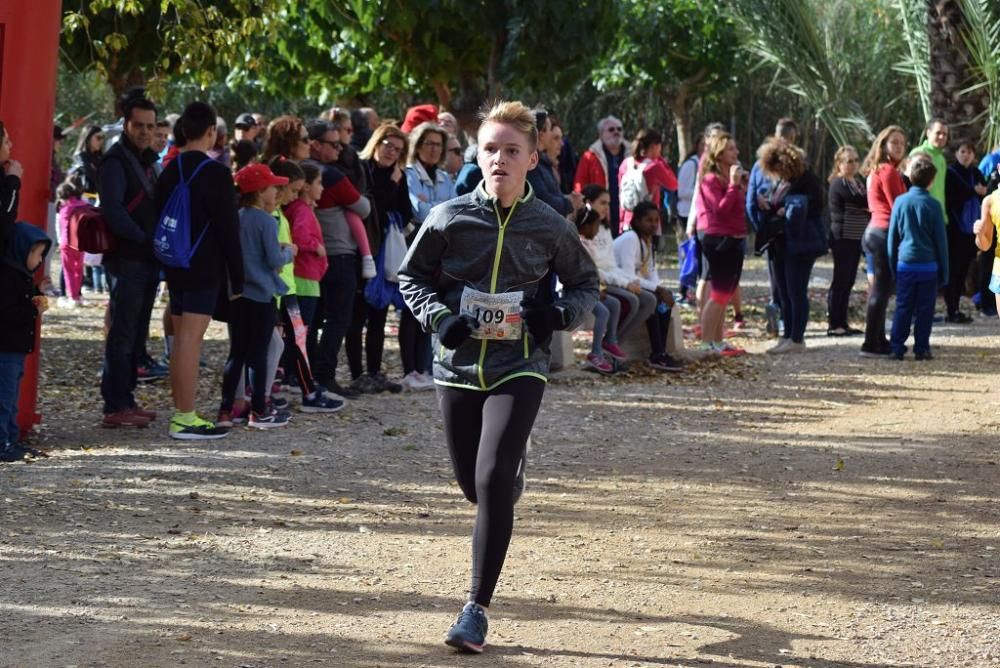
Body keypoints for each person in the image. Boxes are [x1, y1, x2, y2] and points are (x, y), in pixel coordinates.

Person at [399, 100, 598, 654]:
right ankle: (507, 472)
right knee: (475, 486)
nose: (500, 160)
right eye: (491, 149)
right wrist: (441, 319)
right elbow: (410, 278)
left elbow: (585, 287)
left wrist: (556, 316)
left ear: (532, 159)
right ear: (477, 156)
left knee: (490, 481)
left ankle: (474, 610)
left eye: (512, 151)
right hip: (458, 370)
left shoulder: (550, 226)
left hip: (520, 367)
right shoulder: (449, 218)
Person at [156, 102, 245, 439]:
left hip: (175, 262)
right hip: (204, 266)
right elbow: (228, 230)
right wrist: (238, 277)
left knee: (181, 340)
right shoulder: (217, 173)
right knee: (192, 341)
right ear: (211, 132)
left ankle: (182, 412)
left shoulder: (169, 169)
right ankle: (185, 417)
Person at [99, 93, 162, 428]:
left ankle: (127, 399)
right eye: (139, 125)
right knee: (122, 334)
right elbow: (113, 211)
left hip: (146, 259)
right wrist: (142, 238)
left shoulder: (147, 160)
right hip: (128, 260)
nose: (144, 131)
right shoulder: (115, 162)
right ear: (126, 124)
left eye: (150, 126)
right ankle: (115, 404)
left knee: (135, 334)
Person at [223, 163, 294, 429]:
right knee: (258, 356)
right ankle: (259, 411)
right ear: (259, 191)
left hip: (238, 295)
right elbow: (274, 260)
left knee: (236, 355)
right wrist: (290, 252)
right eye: (273, 187)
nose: (277, 192)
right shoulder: (265, 220)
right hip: (262, 296)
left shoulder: (236, 217)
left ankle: (225, 410)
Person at [307, 119, 372, 397]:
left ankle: (306, 374)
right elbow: (364, 207)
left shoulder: (301, 171)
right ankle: (324, 376)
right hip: (337, 256)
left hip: (312, 257)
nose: (339, 149)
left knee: (312, 320)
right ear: (315, 145)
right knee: (338, 320)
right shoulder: (331, 176)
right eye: (334, 144)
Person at [0, 124, 51, 462]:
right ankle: (4, 441)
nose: (11, 144)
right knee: (4, 393)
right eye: (5, 139)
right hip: (8, 341)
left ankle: (9, 438)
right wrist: (13, 181)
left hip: (14, 344)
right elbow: (5, 220)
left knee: (9, 392)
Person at [352, 123, 412, 394]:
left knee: (379, 313)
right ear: (376, 143)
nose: (391, 152)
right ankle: (356, 374)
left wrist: (395, 183)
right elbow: (371, 204)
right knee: (356, 315)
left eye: (398, 149)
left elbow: (404, 211)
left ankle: (374, 371)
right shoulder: (361, 168)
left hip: (385, 252)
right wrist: (392, 184)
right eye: (388, 145)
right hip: (360, 248)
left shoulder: (399, 176)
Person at [756, 139, 824, 353]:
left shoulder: (808, 181)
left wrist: (790, 208)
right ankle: (787, 335)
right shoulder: (780, 182)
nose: (777, 173)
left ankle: (797, 338)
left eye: (779, 168)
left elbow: (815, 207)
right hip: (780, 243)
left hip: (800, 243)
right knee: (783, 291)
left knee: (796, 290)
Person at [403, 122, 456, 391]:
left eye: (438, 144)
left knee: (432, 306)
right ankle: (409, 368)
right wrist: (437, 208)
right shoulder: (409, 173)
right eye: (429, 144)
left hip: (441, 251)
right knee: (411, 309)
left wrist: (431, 206)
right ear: (418, 145)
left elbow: (454, 214)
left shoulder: (446, 178)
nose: (434, 149)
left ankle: (425, 366)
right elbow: (420, 212)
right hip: (414, 246)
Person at [888, 155, 948, 360]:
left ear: (910, 177)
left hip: (905, 263)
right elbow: (941, 242)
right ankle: (922, 348)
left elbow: (892, 238)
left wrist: (891, 265)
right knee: (925, 308)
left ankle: (896, 347)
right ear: (931, 181)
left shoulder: (900, 202)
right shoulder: (934, 205)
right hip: (928, 267)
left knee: (903, 306)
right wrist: (944, 272)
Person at [613, 201, 684, 371]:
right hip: (617, 283)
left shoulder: (647, 242)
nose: (653, 225)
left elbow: (651, 271)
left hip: (633, 285)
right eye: (648, 220)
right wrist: (657, 289)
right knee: (652, 299)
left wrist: (662, 290)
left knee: (664, 302)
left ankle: (660, 353)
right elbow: (628, 274)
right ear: (637, 221)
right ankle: (657, 354)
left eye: (656, 220)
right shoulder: (630, 239)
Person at [580, 184, 654, 348]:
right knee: (631, 300)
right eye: (602, 203)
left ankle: (614, 344)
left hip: (610, 279)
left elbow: (611, 266)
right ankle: (608, 345)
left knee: (649, 299)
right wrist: (625, 284)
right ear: (588, 203)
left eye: (608, 204)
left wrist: (630, 281)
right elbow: (594, 270)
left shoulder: (605, 229)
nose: (607, 208)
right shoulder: (584, 230)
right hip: (596, 283)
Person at [696, 131, 747, 356]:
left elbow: (738, 209)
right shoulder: (710, 180)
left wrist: (739, 186)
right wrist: (734, 187)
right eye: (730, 149)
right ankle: (706, 342)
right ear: (719, 154)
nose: (736, 152)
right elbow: (720, 211)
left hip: (736, 237)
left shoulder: (731, 180)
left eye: (735, 148)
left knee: (725, 294)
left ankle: (718, 339)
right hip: (718, 239)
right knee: (717, 293)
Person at [746, 118, 799, 336]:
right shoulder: (795, 164)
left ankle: (777, 310)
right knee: (790, 278)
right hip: (786, 230)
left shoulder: (759, 164)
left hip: (771, 231)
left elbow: (750, 202)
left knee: (776, 277)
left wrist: (762, 227)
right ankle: (785, 318)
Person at [861, 125, 908, 357]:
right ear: (884, 145)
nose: (899, 146)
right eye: (894, 142)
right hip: (882, 232)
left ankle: (879, 340)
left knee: (883, 287)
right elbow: (897, 206)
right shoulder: (887, 171)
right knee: (881, 288)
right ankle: (870, 343)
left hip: (876, 231)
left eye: (902, 143)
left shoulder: (880, 169)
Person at [826, 146, 869, 336]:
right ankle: (834, 323)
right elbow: (861, 201)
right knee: (841, 280)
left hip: (856, 238)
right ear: (839, 164)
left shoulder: (858, 182)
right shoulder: (839, 183)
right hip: (843, 237)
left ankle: (843, 321)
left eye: (855, 160)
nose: (853, 164)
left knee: (849, 280)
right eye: (848, 161)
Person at [574, 206, 622, 373]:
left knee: (614, 304)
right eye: (595, 226)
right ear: (585, 226)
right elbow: (577, 275)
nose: (597, 230)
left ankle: (610, 341)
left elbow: (592, 273)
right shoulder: (577, 245)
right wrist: (594, 291)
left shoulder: (587, 244)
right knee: (603, 312)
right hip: (576, 291)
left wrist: (597, 289)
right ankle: (595, 353)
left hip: (589, 289)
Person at [944, 141, 986, 322]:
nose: (966, 155)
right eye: (962, 151)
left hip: (971, 231)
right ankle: (951, 310)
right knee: (953, 270)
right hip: (955, 230)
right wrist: (972, 191)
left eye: (969, 151)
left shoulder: (976, 172)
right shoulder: (951, 173)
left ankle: (956, 308)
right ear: (956, 154)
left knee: (963, 271)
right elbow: (952, 198)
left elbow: (985, 191)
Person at [574, 116, 629, 235]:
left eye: (619, 129)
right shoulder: (590, 157)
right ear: (600, 134)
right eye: (611, 129)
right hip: (600, 215)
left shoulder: (631, 155)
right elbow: (580, 186)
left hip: (627, 213)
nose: (616, 132)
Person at [618, 128, 678, 233]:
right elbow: (674, 184)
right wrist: (660, 160)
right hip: (648, 223)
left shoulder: (625, 163)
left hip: (628, 221)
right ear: (654, 145)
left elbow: (621, 192)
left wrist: (621, 222)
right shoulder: (654, 167)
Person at [526, 109, 580, 216]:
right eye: (550, 130)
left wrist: (567, 198)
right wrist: (569, 202)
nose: (551, 135)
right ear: (541, 134)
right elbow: (542, 201)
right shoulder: (531, 164)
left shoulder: (542, 162)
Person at [55, 177, 89, 307]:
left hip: (66, 243)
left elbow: (62, 227)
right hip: (81, 243)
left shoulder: (64, 209)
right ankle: (78, 296)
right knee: (79, 270)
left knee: (68, 270)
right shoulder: (84, 206)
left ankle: (72, 297)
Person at [909, 119, 950, 224]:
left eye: (945, 134)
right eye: (938, 133)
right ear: (928, 133)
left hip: (939, 215)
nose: (942, 137)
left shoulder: (941, 159)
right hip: (922, 214)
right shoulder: (918, 154)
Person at [68, 125, 104, 193]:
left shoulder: (100, 157)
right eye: (98, 138)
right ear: (88, 137)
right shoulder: (80, 156)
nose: (101, 141)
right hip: (85, 197)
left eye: (102, 138)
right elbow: (91, 174)